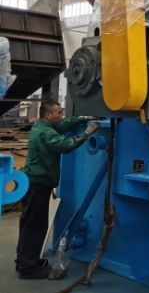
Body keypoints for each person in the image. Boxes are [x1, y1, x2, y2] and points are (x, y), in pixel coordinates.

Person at [15, 100, 99, 280]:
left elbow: (62, 125)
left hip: (33, 182)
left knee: (29, 223)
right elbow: (66, 145)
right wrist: (86, 133)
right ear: (48, 115)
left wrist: (83, 118)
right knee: (35, 226)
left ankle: (24, 261)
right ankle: (28, 268)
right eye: (59, 113)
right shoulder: (47, 133)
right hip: (38, 184)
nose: (62, 116)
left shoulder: (41, 126)